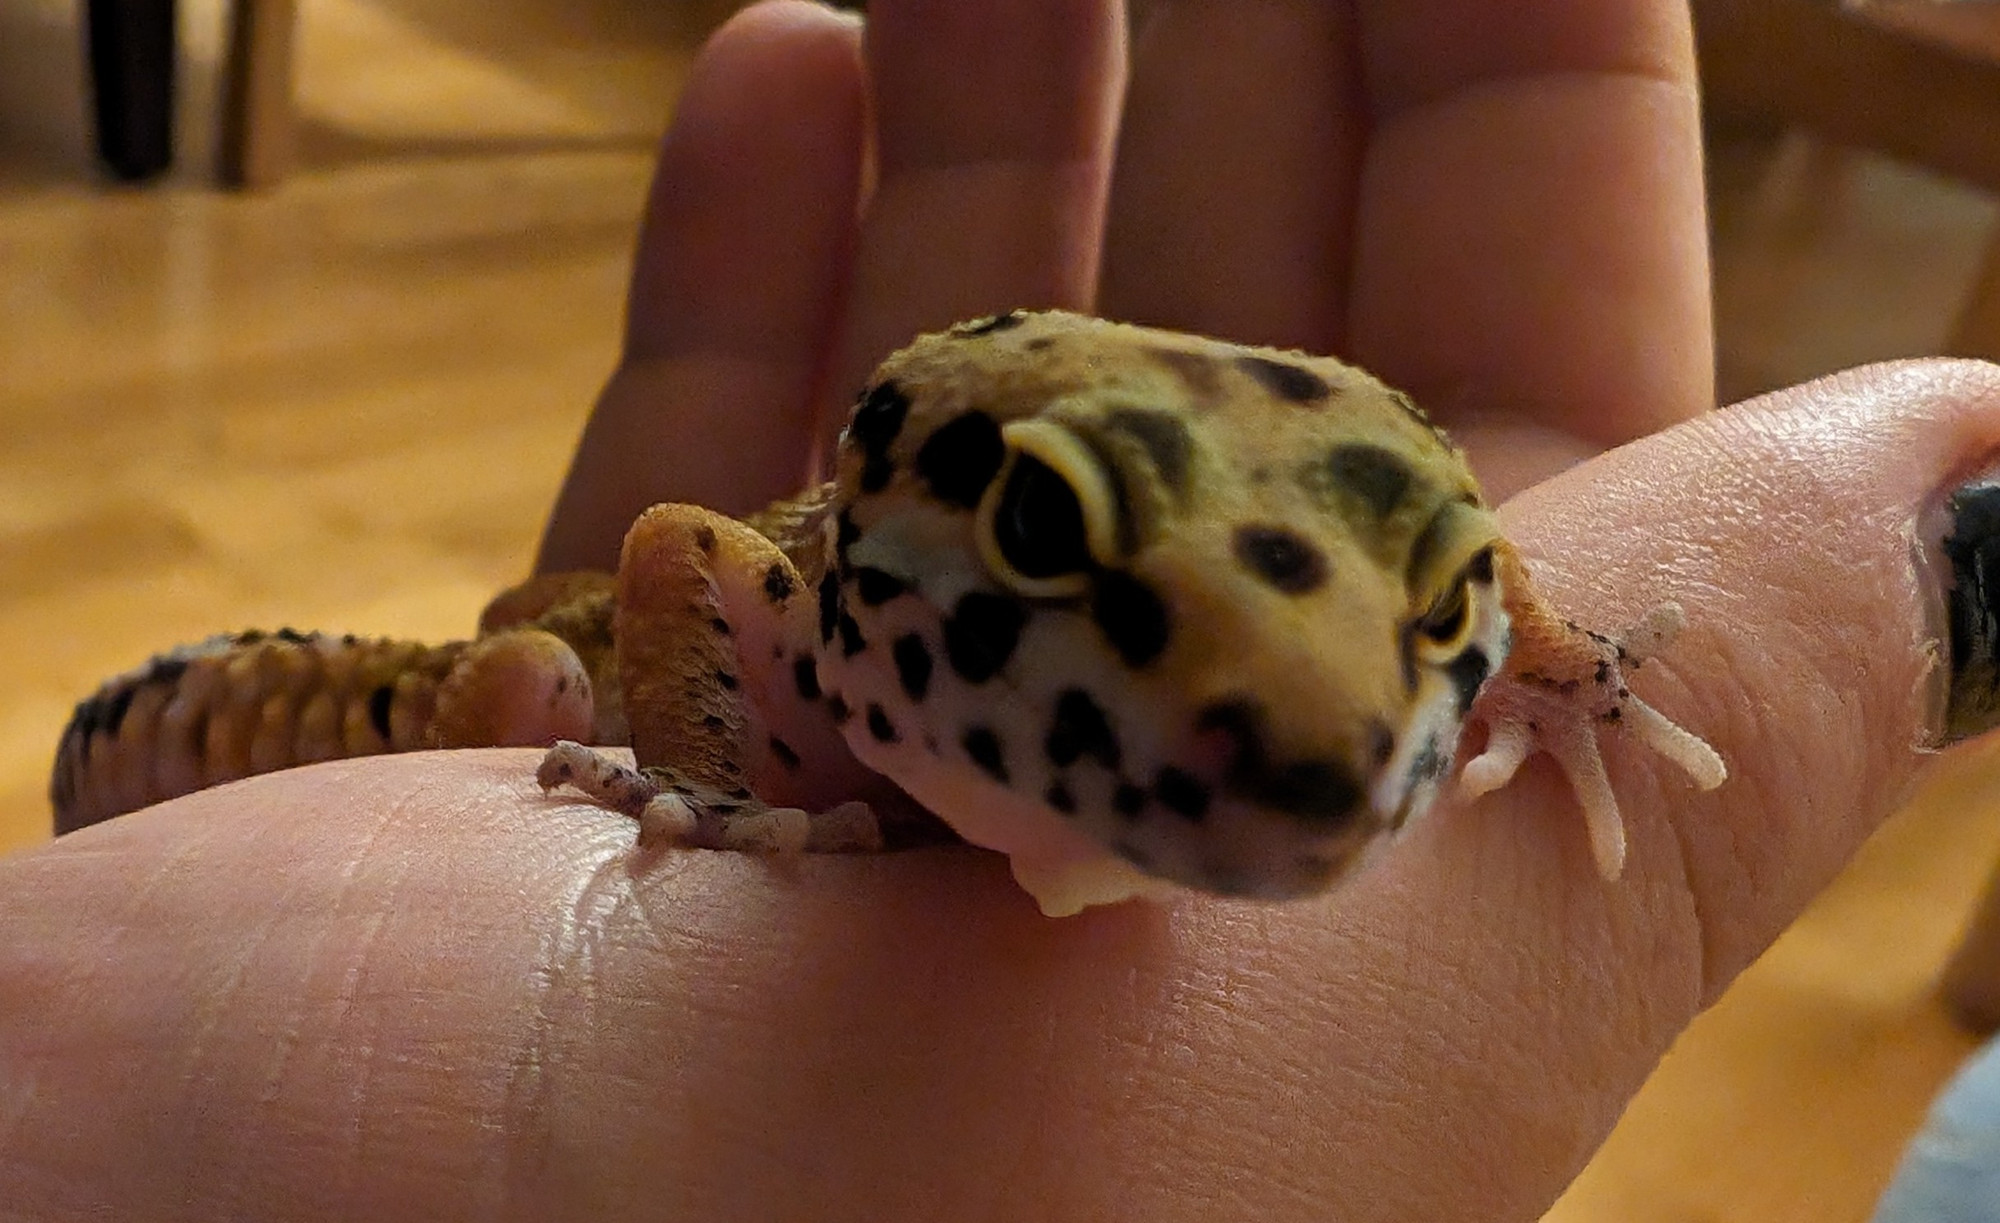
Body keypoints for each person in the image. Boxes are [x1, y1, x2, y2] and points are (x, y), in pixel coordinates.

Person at [2, 2, 1994, 1218]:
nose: (1287, 738)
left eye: (1450, 605)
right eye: (1047, 538)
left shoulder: (1376, 645)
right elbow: (684, 554)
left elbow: (1471, 564)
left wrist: (1561, 667)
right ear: (890, 527)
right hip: (531, 679)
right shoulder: (787, 611)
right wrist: (692, 784)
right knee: (529, 672)